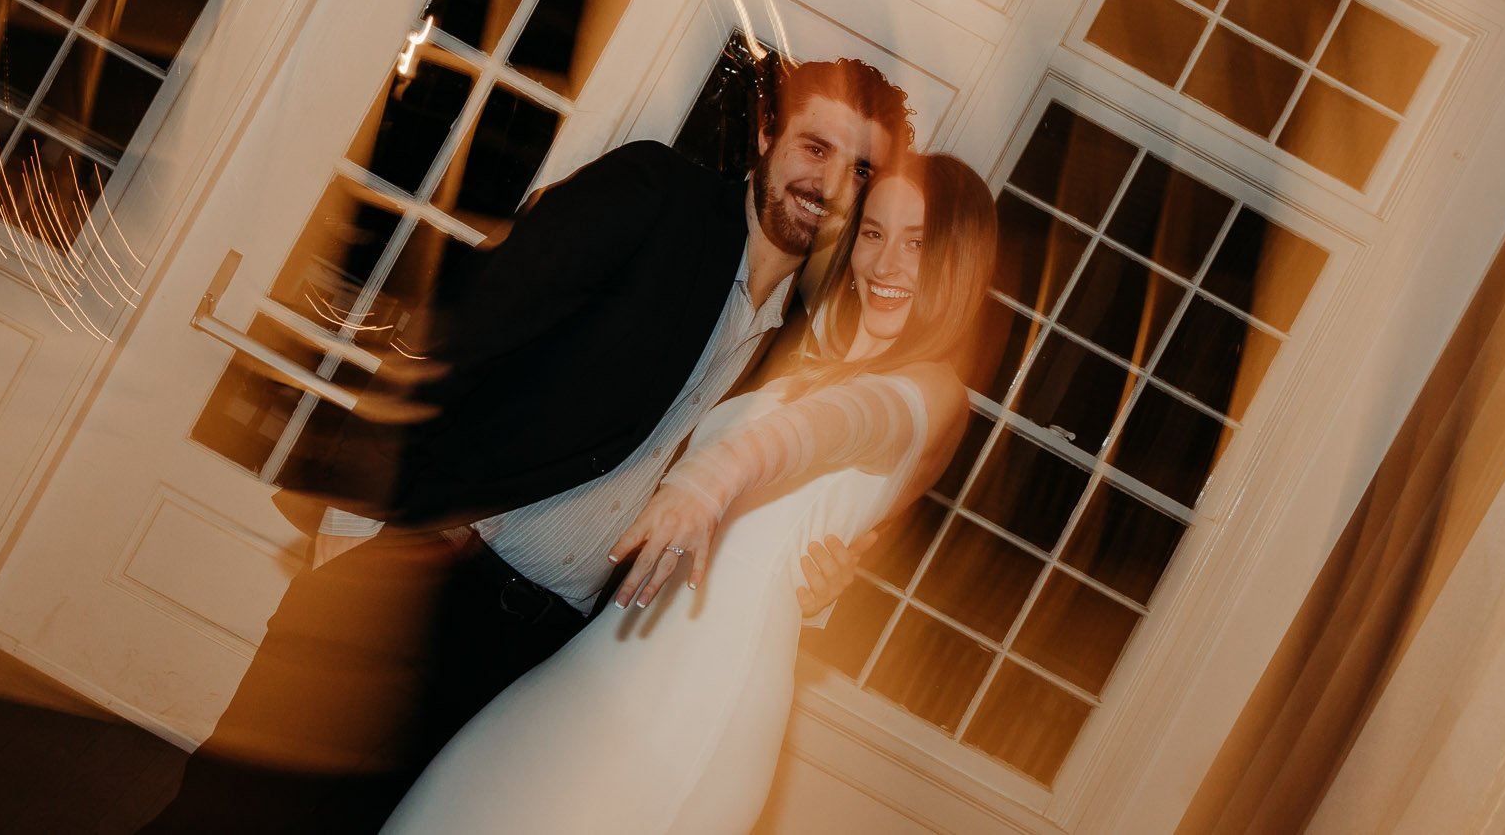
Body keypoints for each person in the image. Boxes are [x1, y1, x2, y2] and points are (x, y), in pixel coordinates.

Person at [139, 58, 913, 833]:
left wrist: (808, 586)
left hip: (549, 662)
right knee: (233, 814)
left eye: (860, 167)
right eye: (815, 147)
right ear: (767, 129)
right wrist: (352, 519)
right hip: (425, 579)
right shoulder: (655, 196)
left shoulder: (803, 346)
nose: (830, 181)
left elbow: (742, 504)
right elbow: (459, 325)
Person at [382, 152, 998, 835]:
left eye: (917, 242)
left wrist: (709, 481)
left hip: (694, 698)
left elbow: (820, 433)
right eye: (875, 233)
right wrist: (815, 587)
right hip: (610, 652)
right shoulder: (823, 350)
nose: (885, 265)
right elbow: (806, 524)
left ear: (959, 260)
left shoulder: (932, 392)